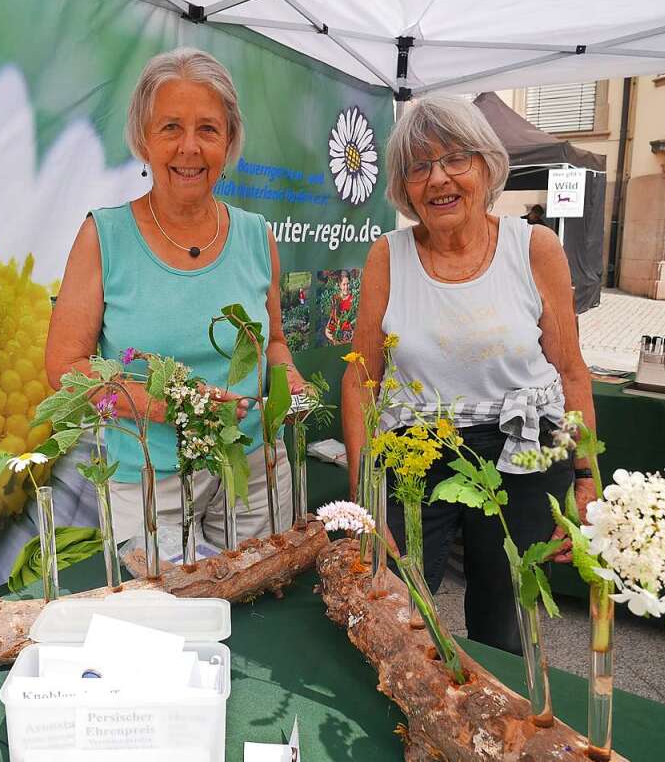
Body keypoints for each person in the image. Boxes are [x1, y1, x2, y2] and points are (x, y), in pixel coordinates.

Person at [342, 94, 596, 654]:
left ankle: (494, 727)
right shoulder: (388, 256)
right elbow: (362, 379)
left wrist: (585, 476)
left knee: (504, 616)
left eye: (456, 159)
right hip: (417, 451)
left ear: (486, 166)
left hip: (526, 448)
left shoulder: (534, 248)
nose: (438, 179)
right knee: (396, 605)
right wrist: (364, 495)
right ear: (403, 187)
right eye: (418, 166)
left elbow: (571, 369)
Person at [45, 48, 305, 547]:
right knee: (165, 618)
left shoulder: (256, 236)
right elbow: (64, 366)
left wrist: (287, 377)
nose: (190, 147)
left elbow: (272, 341)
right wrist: (167, 405)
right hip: (149, 477)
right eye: (170, 128)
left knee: (257, 599)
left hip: (253, 469)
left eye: (208, 129)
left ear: (229, 142)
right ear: (144, 139)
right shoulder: (105, 236)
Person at [324, 270, 356, 345]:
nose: (346, 287)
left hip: (349, 334)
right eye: (344, 284)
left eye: (348, 284)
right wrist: (329, 333)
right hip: (338, 332)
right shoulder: (335, 298)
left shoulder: (353, 299)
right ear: (339, 285)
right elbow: (332, 318)